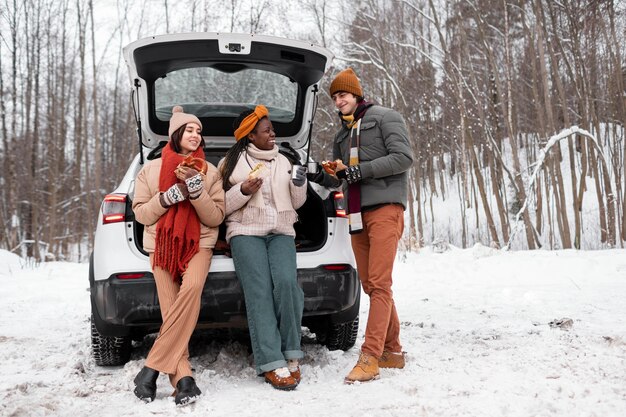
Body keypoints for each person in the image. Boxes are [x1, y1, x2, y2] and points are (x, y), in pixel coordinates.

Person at [309, 68, 414, 383]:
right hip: (356, 215)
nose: (339, 100)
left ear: (356, 93)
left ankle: (370, 357)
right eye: (335, 97)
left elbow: (403, 157)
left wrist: (360, 170)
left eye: (343, 94)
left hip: (385, 209)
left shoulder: (385, 117)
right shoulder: (341, 135)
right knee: (370, 285)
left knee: (380, 284)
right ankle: (393, 352)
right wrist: (321, 174)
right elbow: (341, 176)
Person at [131, 106, 225, 405]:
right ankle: (185, 380)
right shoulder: (151, 170)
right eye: (189, 130)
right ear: (176, 135)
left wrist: (197, 192)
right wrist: (166, 198)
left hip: (199, 245)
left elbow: (215, 218)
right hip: (162, 246)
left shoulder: (209, 171)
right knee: (172, 311)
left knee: (193, 288)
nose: (196, 136)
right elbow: (143, 214)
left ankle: (150, 368)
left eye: (199, 131)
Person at [218, 104, 307, 391]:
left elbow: (297, 203)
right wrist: (242, 191)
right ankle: (271, 361)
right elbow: (219, 208)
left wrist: (299, 183)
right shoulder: (230, 164)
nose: (273, 133)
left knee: (286, 284)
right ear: (251, 136)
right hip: (245, 231)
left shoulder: (284, 161)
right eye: (267, 130)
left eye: (272, 129)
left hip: (281, 230)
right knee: (258, 288)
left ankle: (291, 351)